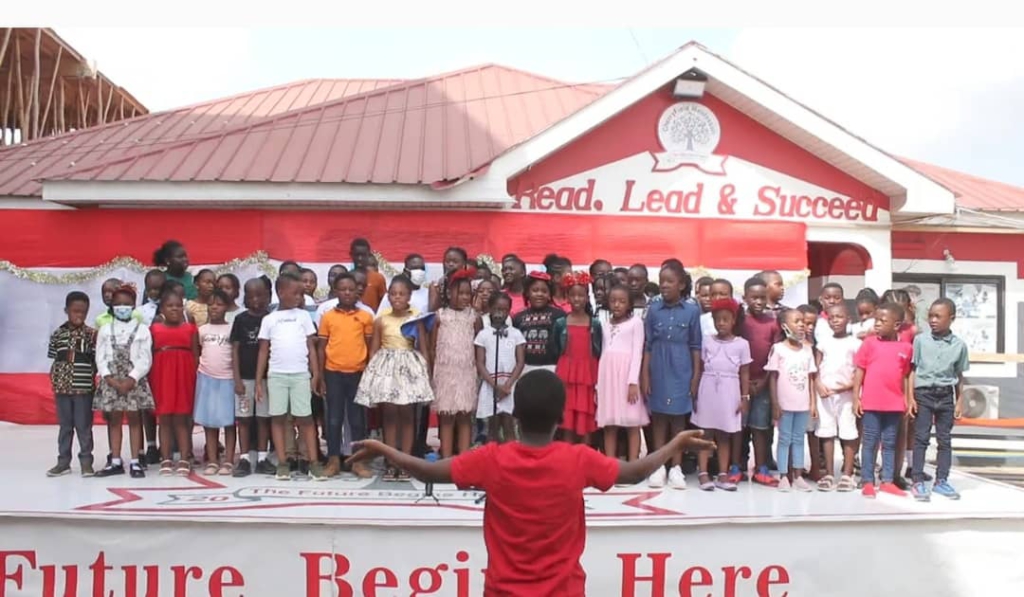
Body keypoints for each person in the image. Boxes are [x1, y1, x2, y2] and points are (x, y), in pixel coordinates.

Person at [345, 370, 716, 596]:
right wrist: (675, 443)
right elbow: (634, 472)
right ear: (560, 415)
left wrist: (384, 449)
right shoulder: (578, 459)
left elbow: (427, 471)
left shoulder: (492, 459)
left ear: (515, 414)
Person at [355, 275, 434, 480]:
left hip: (409, 368)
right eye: (393, 294)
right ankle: (390, 460)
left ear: (409, 296)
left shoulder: (417, 317)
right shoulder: (381, 319)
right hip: (386, 369)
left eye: (402, 294)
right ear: (388, 296)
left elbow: (424, 348)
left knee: (407, 414)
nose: (397, 297)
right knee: (389, 415)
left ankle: (405, 461)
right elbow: (374, 350)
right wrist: (372, 377)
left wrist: (427, 373)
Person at [256, 273, 324, 481]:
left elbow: (311, 348)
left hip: (300, 375)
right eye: (295, 293)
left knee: (305, 419)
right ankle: (283, 462)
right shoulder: (269, 319)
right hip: (276, 375)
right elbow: (263, 351)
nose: (299, 297)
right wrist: (259, 381)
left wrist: (315, 374)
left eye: (301, 294)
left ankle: (313, 462)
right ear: (280, 293)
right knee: (278, 418)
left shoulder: (304, 316)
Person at [641, 261, 701, 489]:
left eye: (670, 281)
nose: (664, 285)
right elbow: (648, 345)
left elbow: (696, 345)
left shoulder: (692, 310)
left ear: (681, 284)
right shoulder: (653, 309)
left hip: (682, 368)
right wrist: (645, 375)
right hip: (658, 367)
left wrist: (695, 377)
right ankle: (658, 466)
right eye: (661, 280)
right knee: (659, 419)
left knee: (678, 419)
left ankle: (676, 467)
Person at [316, 273, 375, 478]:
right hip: (333, 373)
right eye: (343, 289)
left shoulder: (366, 316)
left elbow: (370, 347)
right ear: (335, 291)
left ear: (357, 291)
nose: (348, 293)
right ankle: (333, 460)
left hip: (358, 373)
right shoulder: (328, 316)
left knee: (357, 420)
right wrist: (320, 376)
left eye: (351, 289)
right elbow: (321, 348)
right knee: (333, 419)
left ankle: (357, 462)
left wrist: (370, 374)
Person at [910, 298, 969, 501]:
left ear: (951, 319)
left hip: (946, 396)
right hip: (924, 394)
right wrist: (910, 397)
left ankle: (941, 480)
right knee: (921, 438)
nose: (933, 320)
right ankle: (917, 480)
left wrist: (959, 401)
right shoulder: (920, 341)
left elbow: (959, 375)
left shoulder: (959, 346)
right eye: (931, 316)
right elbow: (912, 370)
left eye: (938, 316)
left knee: (944, 440)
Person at [854, 302, 914, 498]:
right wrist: (856, 398)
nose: (877, 324)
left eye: (882, 320)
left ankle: (887, 480)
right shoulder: (869, 343)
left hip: (894, 405)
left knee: (889, 443)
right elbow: (859, 371)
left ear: (896, 325)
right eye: (876, 320)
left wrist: (907, 399)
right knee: (869, 442)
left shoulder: (906, 348)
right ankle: (867, 481)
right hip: (871, 403)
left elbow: (905, 376)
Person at [94, 284, 154, 479]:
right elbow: (100, 356)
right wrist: (108, 377)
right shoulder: (104, 329)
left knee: (135, 419)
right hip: (111, 379)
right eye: (118, 304)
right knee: (114, 420)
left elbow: (146, 358)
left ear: (134, 305)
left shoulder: (142, 329)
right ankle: (116, 460)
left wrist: (132, 378)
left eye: (126, 304)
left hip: (133, 380)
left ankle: (136, 461)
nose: (122, 307)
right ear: (112, 306)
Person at [692, 297, 751, 492]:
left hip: (730, 390)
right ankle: (703, 472)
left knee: (725, 434)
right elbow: (700, 367)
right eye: (718, 320)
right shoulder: (707, 341)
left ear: (734, 320)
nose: (721, 323)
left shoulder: (742, 344)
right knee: (705, 433)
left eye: (725, 319)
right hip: (708, 388)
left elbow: (744, 373)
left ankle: (723, 473)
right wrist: (695, 389)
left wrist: (744, 398)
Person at [430, 269, 482, 458]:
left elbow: (479, 345)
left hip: (466, 372)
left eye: (468, 293)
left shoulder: (473, 317)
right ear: (450, 293)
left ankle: (464, 458)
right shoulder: (440, 315)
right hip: (445, 372)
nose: (464, 297)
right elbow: (432, 347)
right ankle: (446, 459)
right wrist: (431, 372)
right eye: (460, 293)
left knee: (465, 416)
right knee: (446, 416)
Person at [46, 291, 98, 477]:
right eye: (75, 311)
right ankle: (63, 462)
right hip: (61, 387)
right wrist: (55, 379)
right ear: (66, 310)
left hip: (83, 388)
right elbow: (54, 359)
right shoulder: (57, 335)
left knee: (84, 427)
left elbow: (96, 361)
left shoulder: (92, 335)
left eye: (83, 312)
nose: (79, 315)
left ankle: (86, 462)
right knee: (65, 426)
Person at [734, 276, 779, 485]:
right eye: (754, 298)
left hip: (763, 382)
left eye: (763, 298)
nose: (759, 302)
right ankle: (737, 466)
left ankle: (762, 467)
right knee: (739, 427)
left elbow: (775, 354)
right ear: (745, 298)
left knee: (760, 427)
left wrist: (764, 380)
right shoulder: (740, 321)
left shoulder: (772, 322)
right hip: (739, 383)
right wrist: (745, 383)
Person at [766, 308, 817, 492]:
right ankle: (783, 475)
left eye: (803, 321)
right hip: (784, 405)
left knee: (798, 439)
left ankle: (797, 475)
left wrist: (812, 403)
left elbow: (811, 378)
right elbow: (772, 378)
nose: (802, 324)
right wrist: (775, 403)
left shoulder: (807, 350)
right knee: (784, 439)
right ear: (785, 326)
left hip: (802, 405)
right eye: (797, 321)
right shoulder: (778, 349)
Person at [149, 289, 199, 476]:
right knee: (165, 419)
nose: (175, 309)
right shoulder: (154, 329)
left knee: (181, 419)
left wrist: (194, 376)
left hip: (184, 375)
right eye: (170, 306)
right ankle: (166, 458)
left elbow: (195, 354)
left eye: (178, 306)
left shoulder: (190, 328)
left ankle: (185, 458)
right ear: (162, 308)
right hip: (162, 376)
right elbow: (150, 355)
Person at [596, 284, 647, 461]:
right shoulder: (603, 324)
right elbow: (603, 351)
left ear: (629, 304)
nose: (617, 305)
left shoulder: (636, 323)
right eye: (613, 301)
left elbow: (637, 353)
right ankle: (610, 464)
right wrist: (598, 384)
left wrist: (633, 382)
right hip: (607, 376)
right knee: (609, 423)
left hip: (626, 376)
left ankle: (633, 464)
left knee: (632, 423)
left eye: (622, 301)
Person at [814, 303, 862, 492]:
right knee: (826, 432)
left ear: (848, 319)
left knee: (848, 432)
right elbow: (815, 368)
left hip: (847, 395)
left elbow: (860, 370)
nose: (835, 321)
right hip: (826, 394)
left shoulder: (855, 343)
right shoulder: (824, 342)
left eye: (839, 317)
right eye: (831, 318)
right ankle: (828, 474)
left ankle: (847, 474)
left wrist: (850, 387)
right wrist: (818, 385)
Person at [230, 278, 273, 477]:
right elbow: (235, 350)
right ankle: (245, 458)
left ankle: (263, 458)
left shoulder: (272, 318)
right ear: (244, 297)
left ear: (267, 296)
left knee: (263, 419)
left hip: (266, 379)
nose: (256, 299)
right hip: (245, 379)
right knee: (245, 419)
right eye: (251, 295)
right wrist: (237, 379)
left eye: (260, 295)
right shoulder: (240, 320)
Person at [554, 271, 601, 446]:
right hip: (567, 372)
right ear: (567, 297)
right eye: (573, 295)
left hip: (587, 373)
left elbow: (598, 347)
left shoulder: (594, 323)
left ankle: (585, 456)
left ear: (587, 297)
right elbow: (556, 347)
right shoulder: (561, 322)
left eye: (581, 295)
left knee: (586, 416)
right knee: (567, 417)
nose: (577, 299)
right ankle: (568, 457)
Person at [194, 290, 237, 475]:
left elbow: (235, 355)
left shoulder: (231, 329)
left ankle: (228, 460)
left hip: (227, 379)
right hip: (206, 379)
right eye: (211, 304)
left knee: (228, 422)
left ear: (226, 307)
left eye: (219, 304)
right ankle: (212, 460)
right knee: (209, 423)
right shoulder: (202, 330)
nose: (214, 307)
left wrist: (237, 378)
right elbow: (198, 352)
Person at [475, 292, 526, 444]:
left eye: (503, 310)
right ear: (489, 309)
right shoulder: (483, 335)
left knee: (509, 423)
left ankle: (510, 460)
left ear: (509, 311)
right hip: (491, 385)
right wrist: (495, 386)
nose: (499, 313)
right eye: (496, 308)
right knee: (493, 425)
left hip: (509, 386)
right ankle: (492, 460)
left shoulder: (516, 334)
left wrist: (507, 385)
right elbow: (480, 363)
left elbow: (520, 362)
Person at [880, 288, 918, 489]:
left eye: (900, 311)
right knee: (877, 432)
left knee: (900, 432)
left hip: (901, 386)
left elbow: (911, 367)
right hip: (878, 386)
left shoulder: (911, 331)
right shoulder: (876, 329)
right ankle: (879, 470)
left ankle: (895, 473)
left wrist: (910, 395)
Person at [513, 272, 567, 376]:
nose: (539, 294)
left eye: (544, 291)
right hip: (525, 369)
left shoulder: (559, 316)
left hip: (552, 368)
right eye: (535, 290)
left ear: (549, 295)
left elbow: (563, 345)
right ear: (527, 293)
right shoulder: (518, 317)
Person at [348, 239, 387, 312]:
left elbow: (384, 303)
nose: (360, 258)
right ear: (351, 255)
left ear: (368, 255)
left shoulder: (378, 278)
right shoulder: (346, 278)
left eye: (363, 255)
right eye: (357, 255)